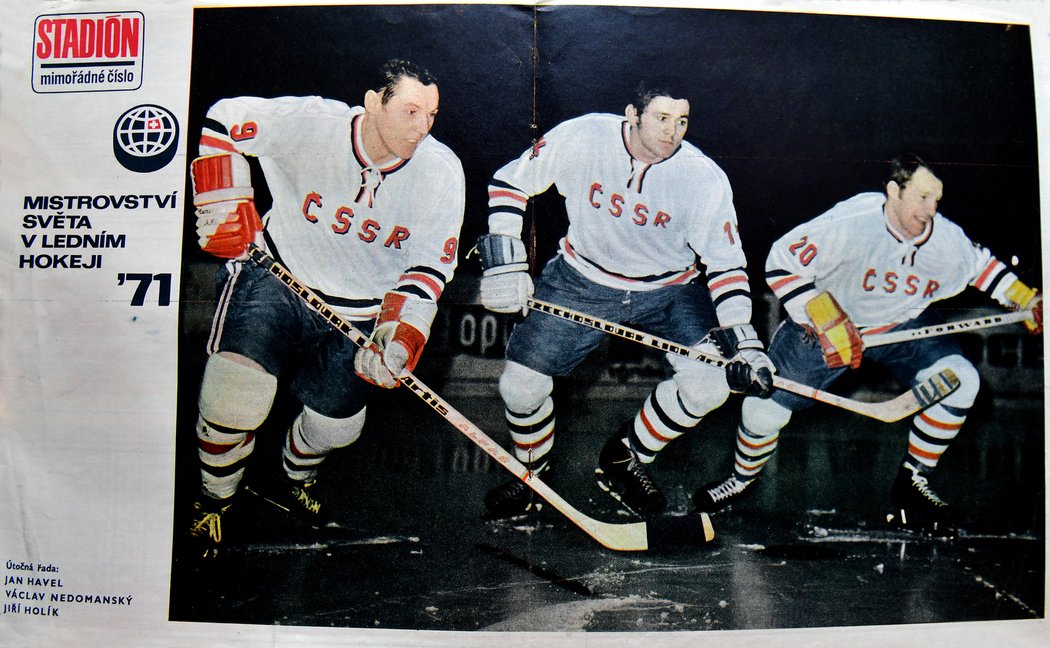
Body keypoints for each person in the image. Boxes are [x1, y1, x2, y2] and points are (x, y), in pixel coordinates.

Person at [185, 59, 465, 552]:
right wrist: (221, 195)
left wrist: (399, 336)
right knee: (234, 395)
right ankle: (214, 500)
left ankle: (294, 480)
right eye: (410, 111)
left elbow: (428, 270)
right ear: (373, 102)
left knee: (335, 428)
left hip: (359, 312)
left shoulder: (442, 173)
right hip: (278, 277)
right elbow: (224, 118)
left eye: (432, 115)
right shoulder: (311, 124)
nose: (422, 128)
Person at [693, 154, 1042, 535]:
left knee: (962, 380)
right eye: (922, 197)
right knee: (763, 413)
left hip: (901, 328)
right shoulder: (853, 220)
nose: (931, 210)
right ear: (893, 191)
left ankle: (913, 482)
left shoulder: (945, 237)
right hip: (831, 323)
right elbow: (781, 262)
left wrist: (1028, 300)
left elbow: (985, 269)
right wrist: (824, 319)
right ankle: (743, 478)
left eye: (937, 200)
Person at [476, 81, 774, 518]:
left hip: (669, 290)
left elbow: (727, 265)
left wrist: (743, 341)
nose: (673, 132)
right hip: (581, 280)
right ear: (633, 114)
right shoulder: (584, 135)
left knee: (711, 385)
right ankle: (533, 477)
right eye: (662, 118)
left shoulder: (702, 176)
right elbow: (509, 183)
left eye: (682, 121)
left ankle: (626, 457)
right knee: (520, 389)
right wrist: (504, 259)